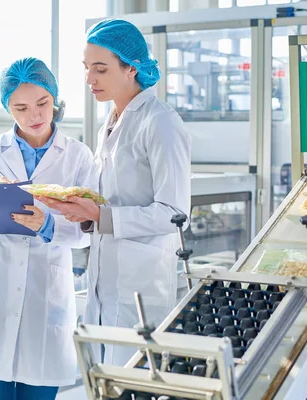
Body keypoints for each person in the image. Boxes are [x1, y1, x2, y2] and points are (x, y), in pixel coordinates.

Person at [37, 19, 191, 366]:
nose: (90, 79)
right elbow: (110, 200)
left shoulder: (160, 122)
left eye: (101, 69)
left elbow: (174, 212)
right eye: (87, 68)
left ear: (131, 69)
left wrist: (100, 216)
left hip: (142, 284)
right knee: (107, 379)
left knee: (136, 380)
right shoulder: (112, 121)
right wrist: (82, 211)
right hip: (106, 281)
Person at [0, 57, 98, 399]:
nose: (35, 116)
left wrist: (46, 224)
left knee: (39, 390)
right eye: (21, 108)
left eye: (42, 103)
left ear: (54, 99)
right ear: (7, 108)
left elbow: (85, 232)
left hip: (46, 289)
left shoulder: (78, 156)